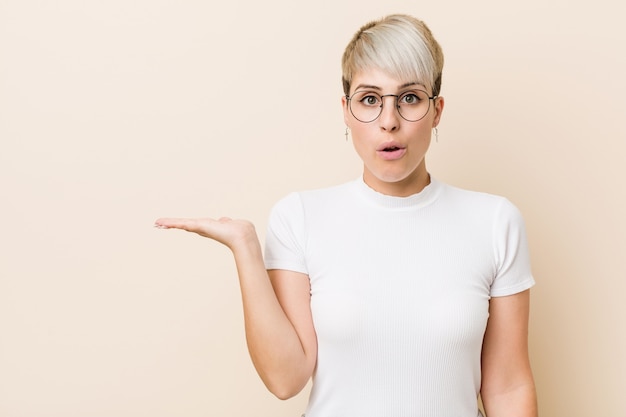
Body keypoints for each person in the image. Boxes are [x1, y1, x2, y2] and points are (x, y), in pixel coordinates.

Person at [155, 14, 538, 417]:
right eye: (370, 99)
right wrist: (246, 249)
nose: (389, 122)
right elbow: (286, 379)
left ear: (437, 110)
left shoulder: (495, 222)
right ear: (346, 110)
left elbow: (509, 387)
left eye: (409, 98)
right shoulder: (299, 217)